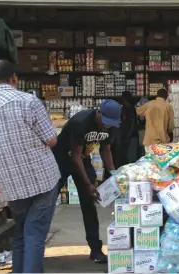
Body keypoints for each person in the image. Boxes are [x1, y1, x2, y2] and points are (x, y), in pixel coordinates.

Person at [0, 60, 59, 273]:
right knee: (34, 232)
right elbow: (51, 140)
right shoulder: (29, 101)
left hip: (10, 183)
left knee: (20, 231)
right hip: (42, 178)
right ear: (14, 78)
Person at [51, 99, 122, 263]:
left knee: (89, 204)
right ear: (99, 113)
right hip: (61, 160)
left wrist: (115, 175)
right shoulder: (81, 122)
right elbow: (75, 155)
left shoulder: (110, 127)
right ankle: (35, 250)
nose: (106, 126)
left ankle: (96, 250)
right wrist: (88, 183)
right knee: (48, 202)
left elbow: (106, 149)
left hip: (82, 158)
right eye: (105, 122)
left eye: (110, 124)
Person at [119, 91, 139, 166]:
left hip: (130, 136)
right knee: (127, 157)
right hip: (127, 136)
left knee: (130, 158)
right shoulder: (127, 108)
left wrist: (128, 136)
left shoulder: (129, 109)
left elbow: (132, 124)